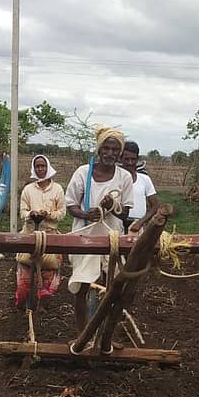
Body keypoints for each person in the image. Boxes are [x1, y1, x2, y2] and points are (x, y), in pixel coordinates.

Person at [65, 126, 134, 335]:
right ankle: (82, 335)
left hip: (111, 239)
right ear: (99, 149)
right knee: (82, 289)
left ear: (120, 153)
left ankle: (105, 337)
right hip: (85, 239)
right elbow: (70, 205)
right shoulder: (83, 173)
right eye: (107, 148)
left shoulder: (124, 178)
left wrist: (113, 205)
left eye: (115, 150)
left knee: (112, 291)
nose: (110, 153)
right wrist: (87, 215)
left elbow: (126, 213)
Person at [14, 154, 66, 307]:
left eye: (43, 166)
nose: (40, 169)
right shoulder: (28, 190)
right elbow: (23, 212)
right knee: (25, 271)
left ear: (47, 167)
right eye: (37, 166)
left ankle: (43, 305)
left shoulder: (57, 189)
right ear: (34, 168)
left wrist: (48, 214)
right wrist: (31, 214)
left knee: (49, 273)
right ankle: (25, 304)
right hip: (30, 235)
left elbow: (62, 213)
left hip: (49, 236)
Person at [119, 141, 158, 233]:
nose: (130, 162)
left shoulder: (145, 179)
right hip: (117, 226)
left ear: (137, 159)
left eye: (133, 159)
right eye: (126, 159)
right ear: (120, 159)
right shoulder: (114, 179)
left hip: (137, 227)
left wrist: (140, 222)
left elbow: (155, 206)